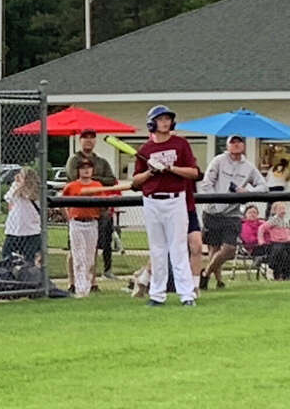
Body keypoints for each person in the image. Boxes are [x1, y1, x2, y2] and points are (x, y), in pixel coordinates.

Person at [133, 105, 202, 306]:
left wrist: (170, 168)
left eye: (167, 119)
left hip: (175, 199)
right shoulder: (145, 150)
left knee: (179, 247)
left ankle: (187, 295)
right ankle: (157, 294)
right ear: (152, 123)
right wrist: (151, 171)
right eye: (160, 119)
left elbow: (194, 172)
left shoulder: (181, 144)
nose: (165, 122)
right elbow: (136, 181)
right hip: (152, 201)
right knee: (157, 249)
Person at [199, 135, 266, 290]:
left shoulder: (248, 166)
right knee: (214, 249)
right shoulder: (218, 161)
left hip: (233, 214)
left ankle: (206, 273)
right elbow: (206, 184)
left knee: (229, 249)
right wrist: (215, 202)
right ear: (227, 146)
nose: (236, 145)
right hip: (213, 212)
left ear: (243, 145)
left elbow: (263, 186)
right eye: (232, 142)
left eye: (239, 142)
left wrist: (247, 191)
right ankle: (219, 282)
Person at [64, 129, 118, 285]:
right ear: (80, 140)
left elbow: (112, 180)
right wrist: (95, 180)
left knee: (93, 248)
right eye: (85, 138)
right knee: (75, 250)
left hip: (98, 210)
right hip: (78, 210)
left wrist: (94, 180)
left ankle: (91, 281)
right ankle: (72, 282)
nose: (89, 141)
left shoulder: (101, 161)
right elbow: (74, 178)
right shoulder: (74, 159)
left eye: (92, 138)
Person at [63, 158, 103, 297]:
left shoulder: (97, 185)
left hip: (92, 222)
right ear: (78, 170)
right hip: (77, 222)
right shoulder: (71, 186)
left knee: (90, 257)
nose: (86, 170)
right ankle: (80, 289)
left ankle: (87, 284)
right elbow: (62, 202)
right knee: (78, 255)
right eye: (83, 167)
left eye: (89, 167)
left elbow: (103, 204)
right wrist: (68, 217)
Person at [1, 166, 42, 263]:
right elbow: (9, 198)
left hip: (31, 232)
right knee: (6, 258)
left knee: (29, 261)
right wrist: (17, 184)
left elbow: (29, 195)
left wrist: (23, 185)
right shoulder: (15, 187)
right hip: (13, 231)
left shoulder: (37, 192)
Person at [257, 201, 290, 279]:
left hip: (286, 242)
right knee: (278, 250)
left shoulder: (285, 220)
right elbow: (262, 228)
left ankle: (286, 274)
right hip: (276, 242)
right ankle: (270, 268)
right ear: (275, 211)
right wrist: (261, 240)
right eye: (280, 209)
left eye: (284, 208)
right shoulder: (273, 220)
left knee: (286, 255)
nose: (283, 210)